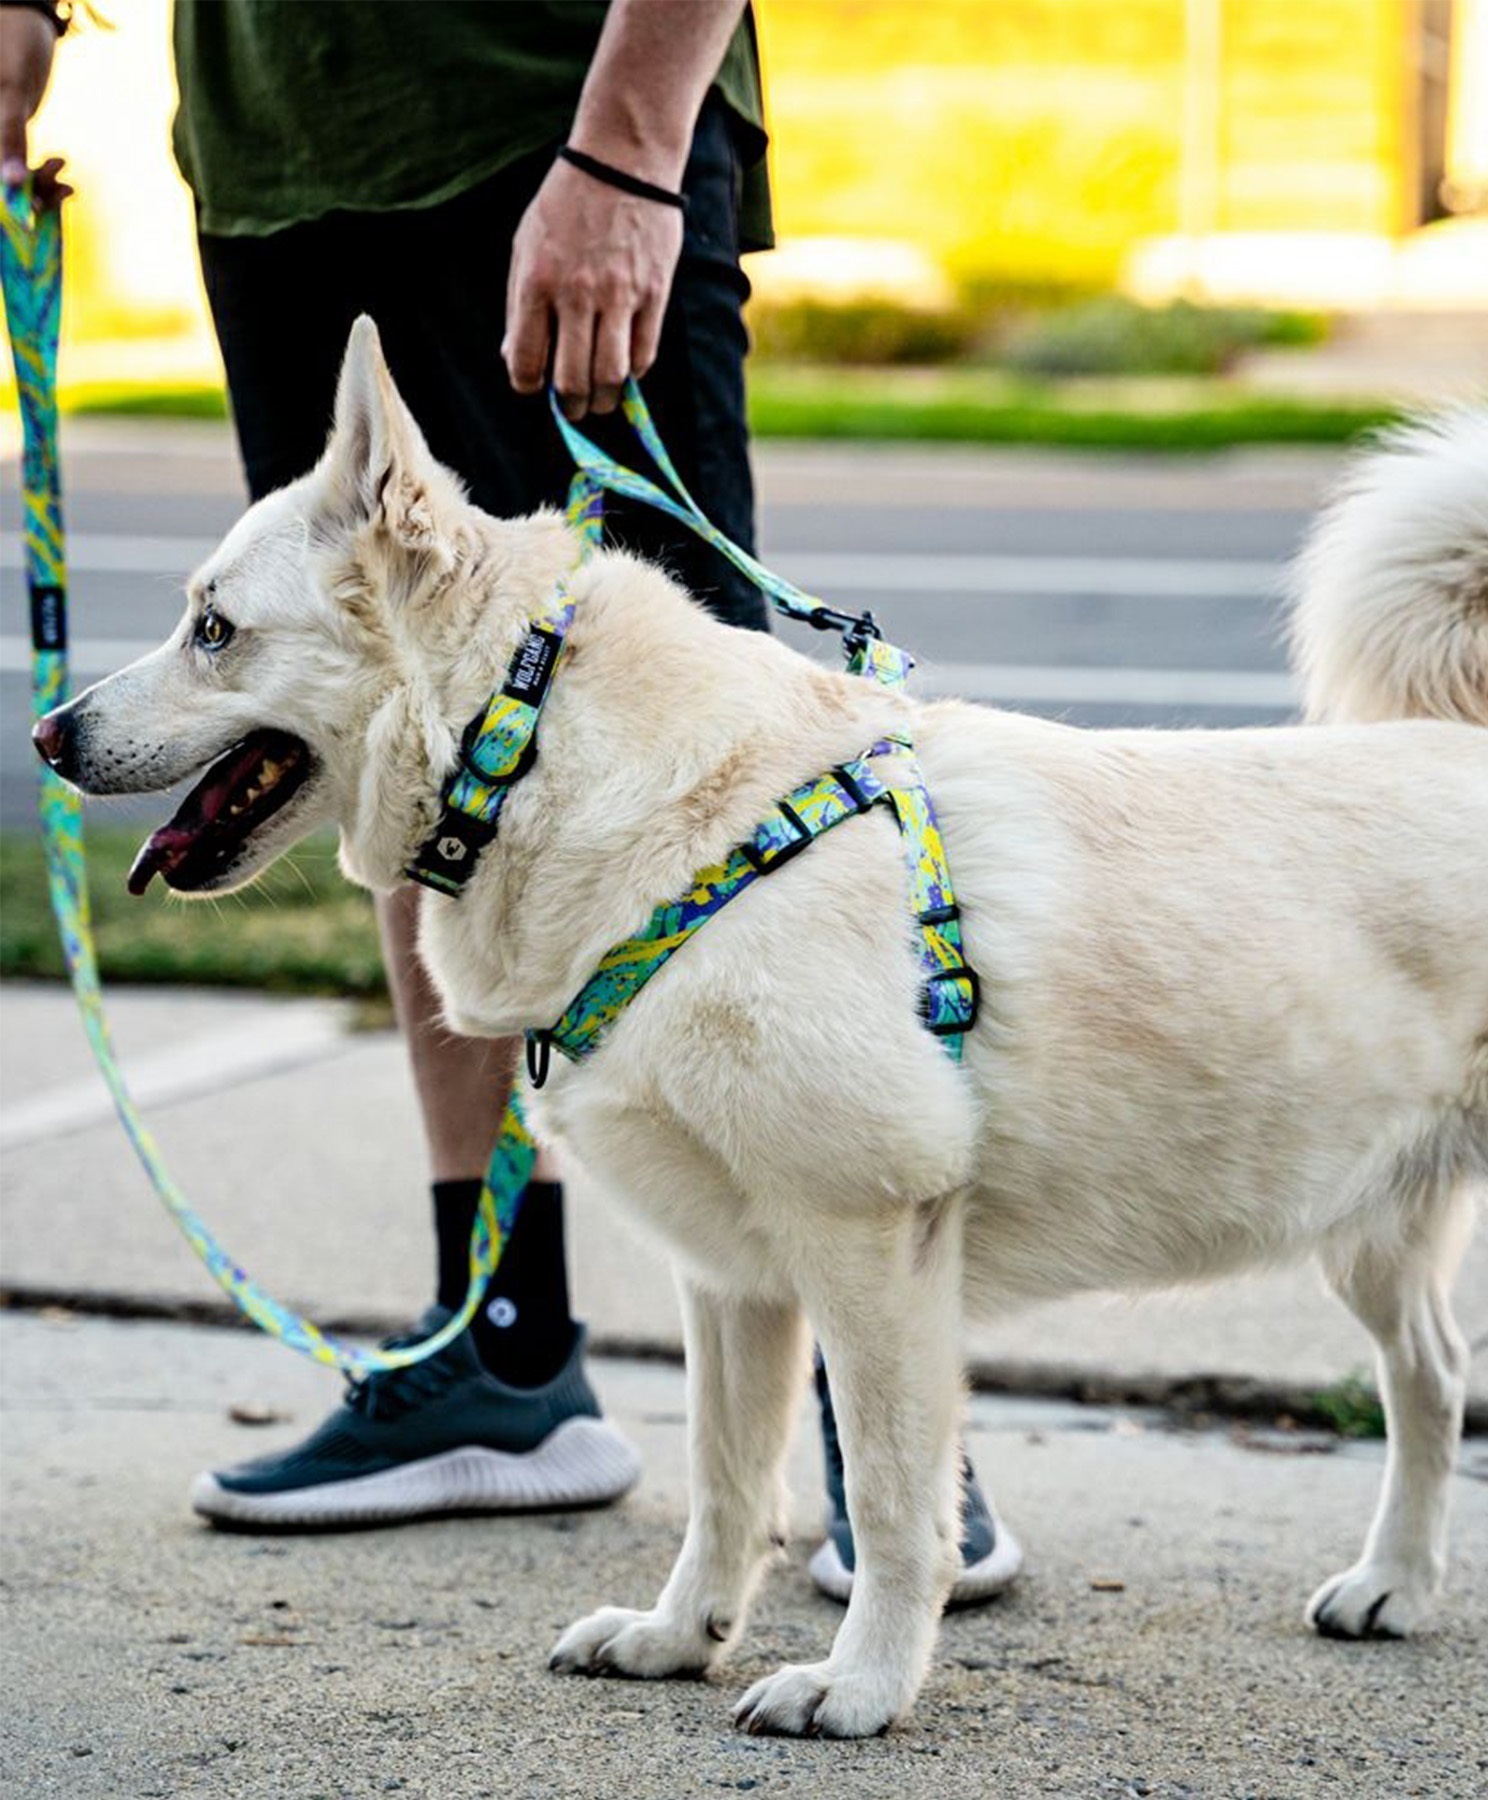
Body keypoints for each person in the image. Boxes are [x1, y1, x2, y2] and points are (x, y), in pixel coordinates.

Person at [3, 0, 1020, 1600]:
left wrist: (626, 139)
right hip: (286, 155)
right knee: (387, 729)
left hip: (554, 120)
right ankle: (505, 1347)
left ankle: (889, 1424)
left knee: (736, 788)